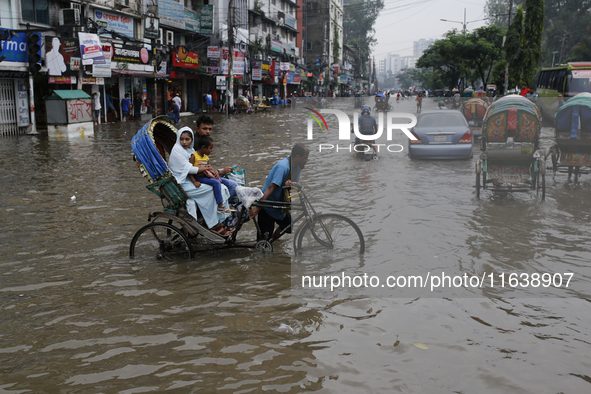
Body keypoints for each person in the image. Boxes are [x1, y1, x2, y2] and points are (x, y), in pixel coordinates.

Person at [168, 126, 233, 237]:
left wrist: (213, 171)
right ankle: (213, 224)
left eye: (187, 139)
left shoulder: (190, 150)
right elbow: (191, 169)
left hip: (190, 180)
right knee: (211, 189)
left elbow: (201, 165)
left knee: (221, 186)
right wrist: (208, 169)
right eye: (182, 139)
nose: (184, 142)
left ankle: (219, 220)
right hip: (182, 185)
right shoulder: (177, 151)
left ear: (192, 140)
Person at [249, 144, 309, 241]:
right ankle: (266, 244)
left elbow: (293, 184)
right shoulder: (283, 167)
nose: (306, 161)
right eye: (305, 158)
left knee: (289, 225)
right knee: (263, 242)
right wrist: (258, 208)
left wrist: (291, 184)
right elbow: (271, 188)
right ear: (297, 157)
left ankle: (272, 241)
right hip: (268, 205)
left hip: (280, 205)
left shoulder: (297, 167)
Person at [189, 136, 237, 213]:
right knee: (216, 183)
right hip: (199, 178)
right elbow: (189, 171)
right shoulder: (194, 156)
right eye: (210, 148)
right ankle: (220, 205)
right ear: (203, 147)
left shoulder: (206, 158)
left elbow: (210, 168)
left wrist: (215, 173)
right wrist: (194, 181)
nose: (212, 150)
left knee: (226, 183)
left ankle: (228, 203)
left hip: (206, 176)